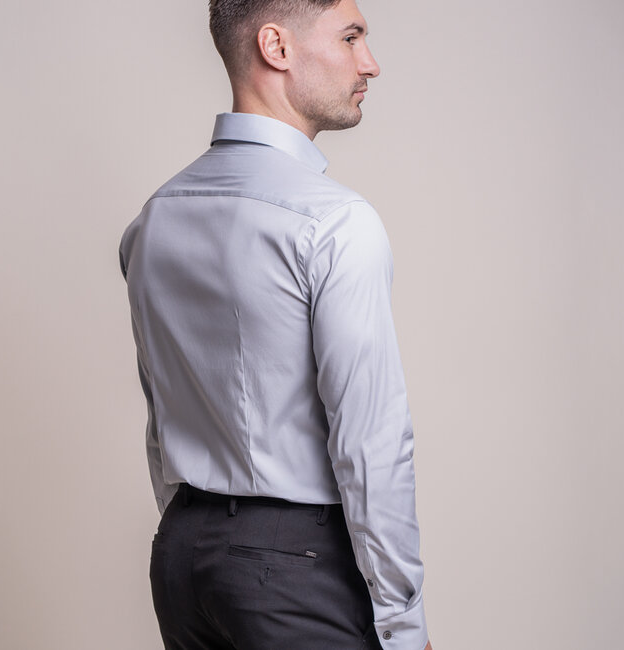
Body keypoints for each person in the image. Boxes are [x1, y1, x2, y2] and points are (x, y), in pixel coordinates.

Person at [118, 1, 433, 648]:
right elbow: (370, 443)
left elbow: (160, 413)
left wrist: (198, 536)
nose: (370, 63)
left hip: (182, 558)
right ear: (276, 47)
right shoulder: (335, 222)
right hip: (293, 568)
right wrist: (403, 626)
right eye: (350, 37)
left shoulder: (154, 219)